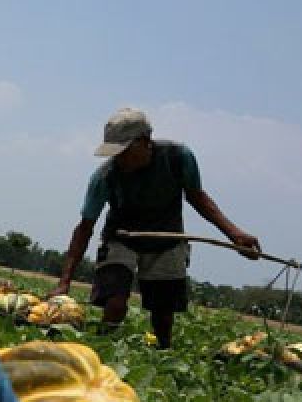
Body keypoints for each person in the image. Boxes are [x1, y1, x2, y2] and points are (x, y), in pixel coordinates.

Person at [48, 107, 261, 348]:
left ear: (145, 142)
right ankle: (101, 348)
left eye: (124, 151)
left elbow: (198, 198)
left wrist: (234, 234)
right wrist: (64, 282)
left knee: (163, 312)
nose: (119, 158)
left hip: (166, 237)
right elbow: (85, 227)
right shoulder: (105, 176)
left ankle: (163, 351)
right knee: (115, 302)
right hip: (122, 237)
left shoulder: (178, 157)